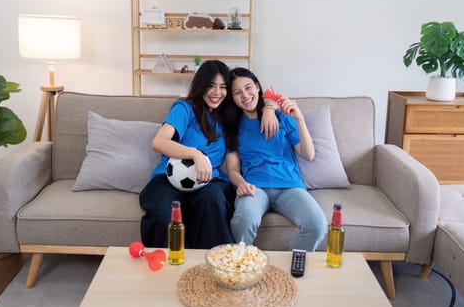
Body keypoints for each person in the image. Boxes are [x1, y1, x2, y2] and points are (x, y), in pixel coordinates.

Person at [224, 67, 328, 251]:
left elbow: (308, 154)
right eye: (237, 92)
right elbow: (232, 169)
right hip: (255, 188)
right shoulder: (232, 127)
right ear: (232, 97)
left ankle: (291, 268)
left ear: (257, 87)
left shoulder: (282, 117)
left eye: (248, 88)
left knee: (317, 225)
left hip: (289, 186)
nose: (245, 95)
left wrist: (299, 119)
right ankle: (242, 267)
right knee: (243, 220)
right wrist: (241, 183)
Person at [139, 60, 235, 249]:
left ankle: (214, 265)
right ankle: (165, 267)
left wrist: (270, 111)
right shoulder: (185, 108)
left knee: (212, 202)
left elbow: (257, 100)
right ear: (201, 85)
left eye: (223, 87)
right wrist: (196, 155)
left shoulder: (228, 118)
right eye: (211, 86)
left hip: (209, 182)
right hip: (168, 179)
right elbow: (159, 142)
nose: (217, 93)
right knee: (164, 215)